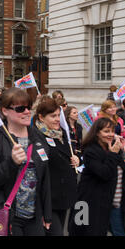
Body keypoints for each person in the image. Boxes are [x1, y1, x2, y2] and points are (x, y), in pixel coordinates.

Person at [0, 88, 52, 236]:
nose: (27, 112)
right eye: (21, 108)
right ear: (5, 111)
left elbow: (45, 178)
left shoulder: (38, 137)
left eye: (29, 107)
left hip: (33, 216)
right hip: (6, 214)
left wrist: (47, 213)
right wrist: (11, 162)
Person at [68, 118, 125, 236]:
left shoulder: (114, 148)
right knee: (81, 231)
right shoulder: (90, 151)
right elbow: (105, 173)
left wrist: (120, 153)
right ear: (97, 133)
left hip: (113, 202)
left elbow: (120, 172)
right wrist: (113, 154)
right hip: (87, 203)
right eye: (106, 131)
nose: (110, 134)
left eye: (112, 131)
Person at [33, 98, 79, 236]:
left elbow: (69, 156)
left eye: (59, 115)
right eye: (53, 116)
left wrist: (77, 160)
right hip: (47, 199)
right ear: (41, 117)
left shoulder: (61, 134)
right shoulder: (35, 136)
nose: (57, 119)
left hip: (63, 196)